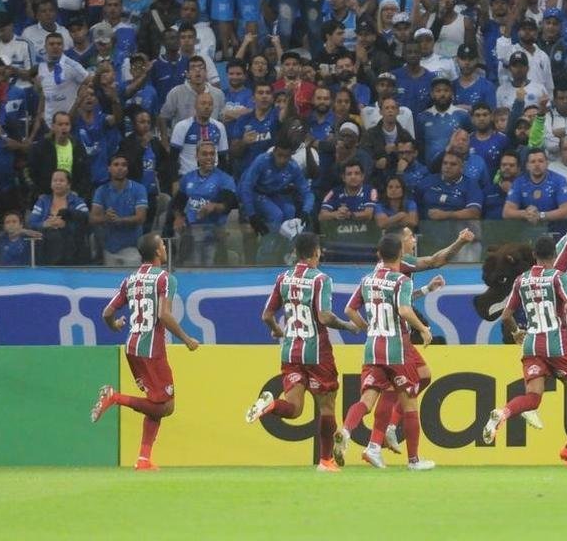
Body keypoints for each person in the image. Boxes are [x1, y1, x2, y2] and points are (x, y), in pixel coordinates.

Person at [482, 234, 567, 469]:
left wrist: (515, 334)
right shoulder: (557, 277)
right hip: (557, 346)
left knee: (533, 398)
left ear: (534, 256)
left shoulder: (521, 280)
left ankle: (503, 413)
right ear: (554, 256)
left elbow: (506, 315)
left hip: (532, 345)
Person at [245, 232, 356, 472]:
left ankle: (271, 405)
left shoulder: (282, 278)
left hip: (290, 353)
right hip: (317, 352)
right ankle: (325, 461)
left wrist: (277, 331)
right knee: (327, 406)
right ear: (316, 251)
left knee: (293, 409)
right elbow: (325, 316)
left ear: (296, 253)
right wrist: (348, 326)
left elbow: (266, 315)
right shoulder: (321, 279)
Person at [90, 233, 200, 471]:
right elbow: (163, 314)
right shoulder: (165, 279)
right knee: (166, 406)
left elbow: (107, 313)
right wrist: (186, 339)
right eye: (162, 244)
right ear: (159, 252)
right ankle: (114, 397)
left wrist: (115, 326)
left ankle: (143, 459)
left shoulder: (129, 280)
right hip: (152, 350)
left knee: (155, 402)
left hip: (132, 346)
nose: (164, 247)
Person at [336, 234, 437, 471]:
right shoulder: (402, 280)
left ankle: (347, 431)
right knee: (410, 403)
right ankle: (413, 460)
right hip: (396, 348)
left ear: (379, 255)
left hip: (372, 347)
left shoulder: (367, 280)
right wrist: (423, 329)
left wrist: (365, 327)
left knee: (367, 399)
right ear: (401, 255)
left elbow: (349, 310)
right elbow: (403, 309)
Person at [172, 141, 239, 266]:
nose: (209, 157)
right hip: (190, 232)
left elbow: (229, 203)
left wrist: (214, 206)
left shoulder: (224, 179)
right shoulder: (188, 178)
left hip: (214, 232)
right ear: (197, 156)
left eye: (212, 154)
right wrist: (178, 217)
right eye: (205, 154)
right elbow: (178, 202)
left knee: (209, 268)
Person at [90, 154, 149, 265]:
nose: (120, 168)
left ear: (127, 169)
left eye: (124, 165)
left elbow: (141, 218)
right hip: (109, 247)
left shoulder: (138, 189)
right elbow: (93, 218)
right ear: (109, 168)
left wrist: (120, 220)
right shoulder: (101, 191)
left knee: (133, 280)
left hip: (132, 247)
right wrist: (106, 218)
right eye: (116, 165)